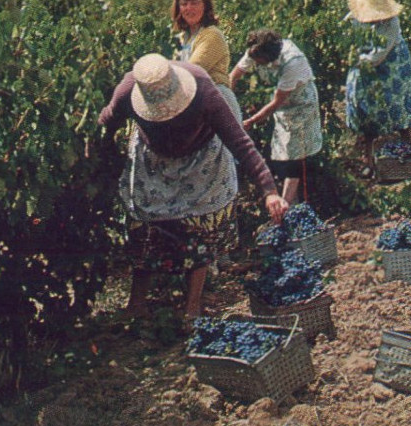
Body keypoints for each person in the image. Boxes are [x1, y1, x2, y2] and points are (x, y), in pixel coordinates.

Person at [99, 53, 288, 320]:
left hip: (201, 162)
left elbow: (241, 144)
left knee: (199, 230)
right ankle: (136, 304)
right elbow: (107, 121)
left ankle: (192, 307)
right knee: (144, 228)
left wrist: (269, 191)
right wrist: (100, 157)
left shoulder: (202, 90)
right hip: (154, 163)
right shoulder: (130, 88)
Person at [229, 29, 323, 204]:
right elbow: (234, 75)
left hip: (301, 107)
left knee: (295, 157)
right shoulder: (257, 49)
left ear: (269, 58)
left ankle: (286, 210)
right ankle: (292, 203)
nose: (255, 63)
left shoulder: (293, 62)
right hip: (284, 108)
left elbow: (276, 102)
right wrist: (223, 101)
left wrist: (249, 122)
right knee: (283, 153)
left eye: (259, 62)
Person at [343, 0, 411, 175]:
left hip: (392, 65)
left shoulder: (392, 23)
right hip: (364, 64)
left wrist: (356, 59)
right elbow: (346, 40)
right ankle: (369, 161)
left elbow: (378, 56)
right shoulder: (353, 18)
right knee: (366, 112)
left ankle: (410, 156)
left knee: (400, 109)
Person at [171, 0, 243, 121]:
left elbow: (192, 70)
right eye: (184, 4)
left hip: (217, 103)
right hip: (196, 102)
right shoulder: (184, 37)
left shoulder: (211, 34)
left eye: (195, 3)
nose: (189, 8)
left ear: (206, 6)